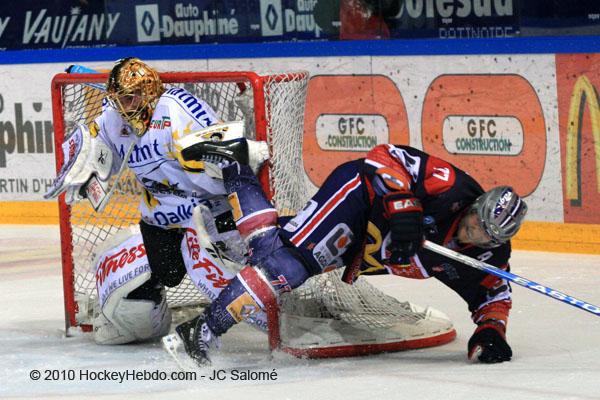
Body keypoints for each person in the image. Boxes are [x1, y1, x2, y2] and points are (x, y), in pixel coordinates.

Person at [174, 143, 528, 365]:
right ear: (476, 205)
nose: (474, 233)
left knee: (262, 249)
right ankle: (202, 329)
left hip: (361, 245)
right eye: (477, 222)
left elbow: (493, 295)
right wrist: (403, 206)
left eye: (486, 236)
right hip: (358, 198)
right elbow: (385, 155)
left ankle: (235, 168)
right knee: (285, 267)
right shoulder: (451, 185)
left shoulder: (488, 255)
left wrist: (491, 332)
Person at [44, 57, 267, 344]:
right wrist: (85, 171)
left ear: (148, 92)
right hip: (162, 215)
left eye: (129, 98)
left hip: (214, 209)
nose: (123, 106)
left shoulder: (177, 108)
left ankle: (275, 303)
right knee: (169, 273)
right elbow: (102, 155)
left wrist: (240, 154)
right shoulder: (115, 115)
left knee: (249, 267)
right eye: (118, 99)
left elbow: (227, 154)